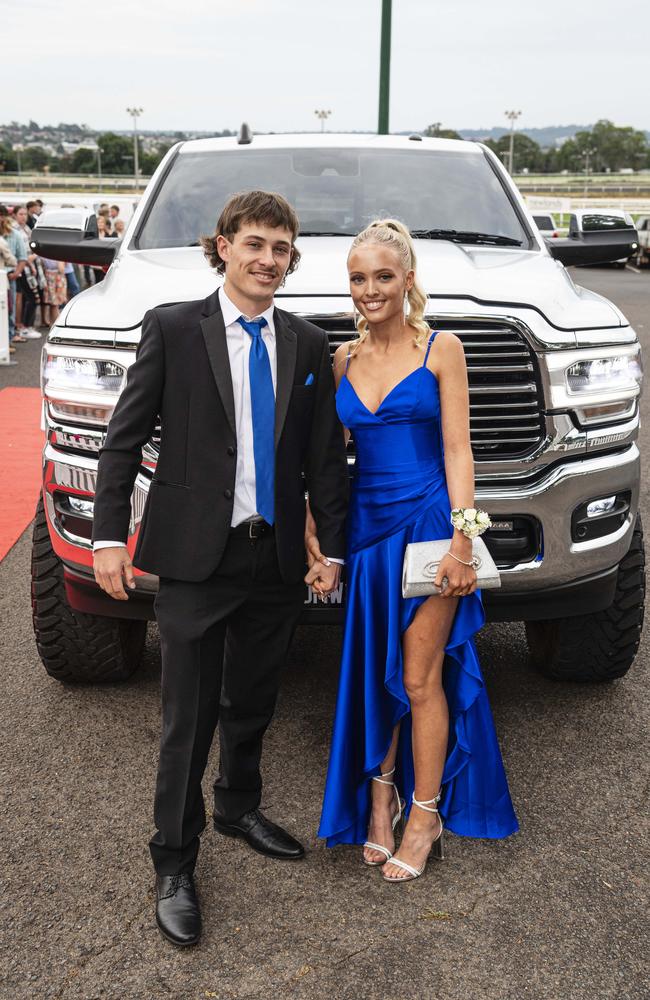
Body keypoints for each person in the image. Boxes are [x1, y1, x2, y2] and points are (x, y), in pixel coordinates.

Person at [91, 190, 349, 946]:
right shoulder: (174, 329)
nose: (269, 259)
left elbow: (323, 461)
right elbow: (122, 439)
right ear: (224, 246)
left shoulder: (305, 342)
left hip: (272, 560)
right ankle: (174, 860)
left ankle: (238, 807)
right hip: (195, 559)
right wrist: (109, 536)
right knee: (187, 719)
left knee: (253, 700)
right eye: (256, 244)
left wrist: (328, 550)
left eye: (281, 248)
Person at [312, 219, 518, 882]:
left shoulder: (441, 350)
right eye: (358, 278)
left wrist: (465, 538)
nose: (370, 290)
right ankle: (381, 801)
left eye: (383, 276)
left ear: (408, 281)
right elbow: (323, 460)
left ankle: (422, 816)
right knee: (377, 674)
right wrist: (316, 530)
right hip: (368, 537)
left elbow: (459, 449)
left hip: (430, 527)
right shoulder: (342, 360)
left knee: (418, 677)